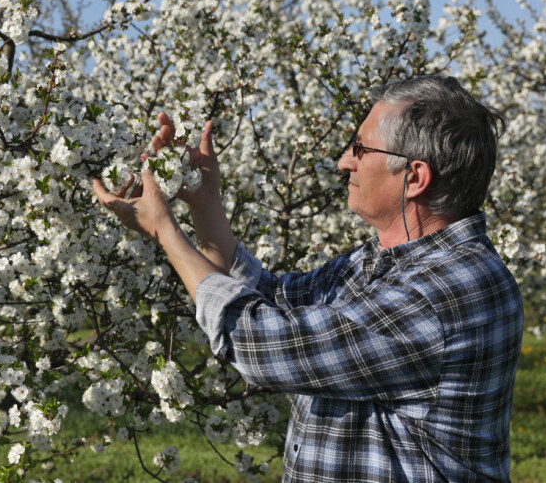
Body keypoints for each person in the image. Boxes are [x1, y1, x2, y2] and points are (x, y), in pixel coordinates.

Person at [93, 75, 523, 482]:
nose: (344, 161)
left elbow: (261, 343)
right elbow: (272, 298)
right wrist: (204, 204)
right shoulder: (380, 261)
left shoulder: (448, 289)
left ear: (413, 177)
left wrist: (165, 232)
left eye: (360, 148)